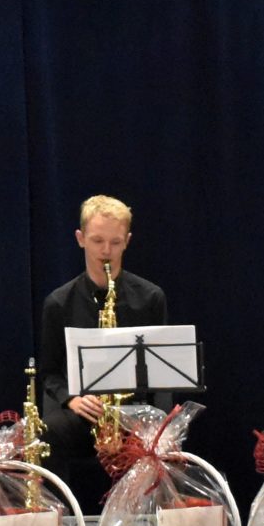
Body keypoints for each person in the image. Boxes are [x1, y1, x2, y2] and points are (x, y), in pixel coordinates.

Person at [35, 195, 167, 503]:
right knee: (46, 433)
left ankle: (144, 521)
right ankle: (57, 518)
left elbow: (162, 378)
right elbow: (50, 372)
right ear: (80, 239)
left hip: (132, 413)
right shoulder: (59, 303)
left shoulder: (150, 298)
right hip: (86, 412)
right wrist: (72, 399)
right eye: (97, 241)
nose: (106, 251)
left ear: (127, 242)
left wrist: (158, 424)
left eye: (115, 242)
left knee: (163, 437)